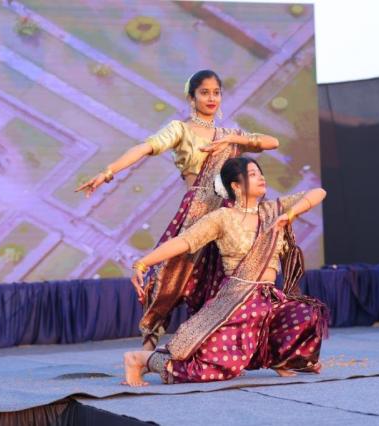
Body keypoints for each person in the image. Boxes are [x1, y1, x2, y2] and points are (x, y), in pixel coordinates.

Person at [76, 70, 279, 350]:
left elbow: (272, 142)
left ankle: (228, 348)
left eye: (216, 92)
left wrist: (237, 140)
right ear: (191, 97)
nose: (211, 98)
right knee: (170, 275)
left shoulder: (228, 135)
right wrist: (107, 172)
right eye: (204, 92)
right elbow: (144, 148)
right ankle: (148, 347)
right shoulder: (180, 130)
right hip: (197, 211)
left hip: (228, 216)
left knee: (227, 279)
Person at [122, 157, 328, 386]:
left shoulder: (273, 210)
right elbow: (184, 241)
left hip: (269, 300)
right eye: (252, 174)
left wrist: (290, 214)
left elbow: (319, 192)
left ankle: (279, 360)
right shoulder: (223, 218)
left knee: (306, 313)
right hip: (238, 302)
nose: (261, 178)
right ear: (236, 186)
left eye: (260, 173)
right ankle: (140, 359)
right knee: (208, 369)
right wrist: (142, 263)